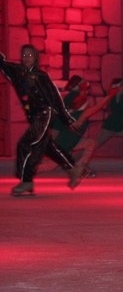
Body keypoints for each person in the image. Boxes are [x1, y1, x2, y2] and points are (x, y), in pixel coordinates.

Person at [0, 44, 86, 196]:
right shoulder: (17, 72)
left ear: (35, 58)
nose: (26, 58)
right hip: (34, 117)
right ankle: (73, 168)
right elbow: (2, 63)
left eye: (30, 55)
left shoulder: (41, 76)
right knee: (47, 146)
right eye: (24, 55)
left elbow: (55, 98)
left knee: (26, 144)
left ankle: (26, 181)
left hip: (44, 114)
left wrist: (67, 119)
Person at [42, 79, 120, 177]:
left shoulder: (71, 113)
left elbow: (80, 98)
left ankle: (80, 167)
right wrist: (110, 95)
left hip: (71, 142)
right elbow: (98, 106)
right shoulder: (81, 114)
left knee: (90, 143)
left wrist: (82, 88)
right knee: (49, 167)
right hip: (64, 145)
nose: (85, 99)